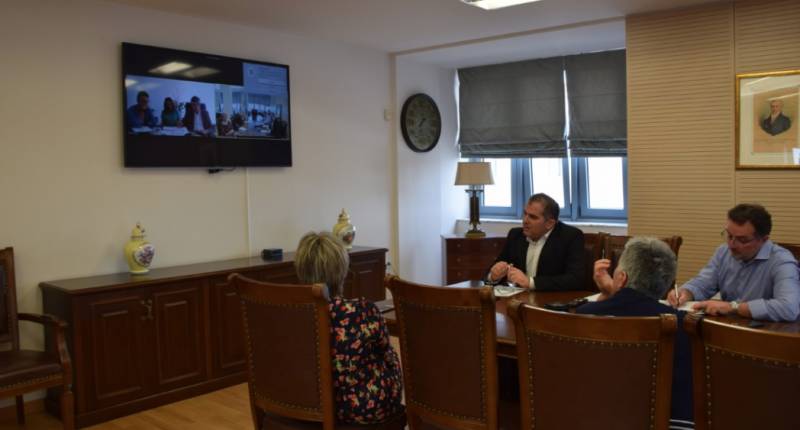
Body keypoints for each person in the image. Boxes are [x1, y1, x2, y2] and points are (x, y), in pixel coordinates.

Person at [577, 237, 693, 429]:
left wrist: (609, 294)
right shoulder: (682, 325)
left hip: (591, 419)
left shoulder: (584, 316)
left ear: (622, 278)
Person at [294, 231, 403, 424]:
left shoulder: (289, 314)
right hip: (358, 411)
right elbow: (387, 355)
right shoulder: (362, 311)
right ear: (342, 270)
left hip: (303, 403)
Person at [668, 203, 800, 322]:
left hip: (767, 333)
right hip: (730, 328)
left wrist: (734, 307)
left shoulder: (782, 262)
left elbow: (788, 308)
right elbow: (704, 282)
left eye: (742, 240)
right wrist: (686, 292)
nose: (732, 245)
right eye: (729, 236)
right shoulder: (723, 252)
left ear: (764, 240)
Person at [487, 193, 585, 291]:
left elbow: (575, 279)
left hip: (551, 298)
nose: (525, 221)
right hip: (518, 297)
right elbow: (491, 273)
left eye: (533, 217)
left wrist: (530, 282)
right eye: (525, 214)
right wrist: (493, 276)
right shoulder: (515, 235)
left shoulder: (570, 237)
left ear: (549, 223)